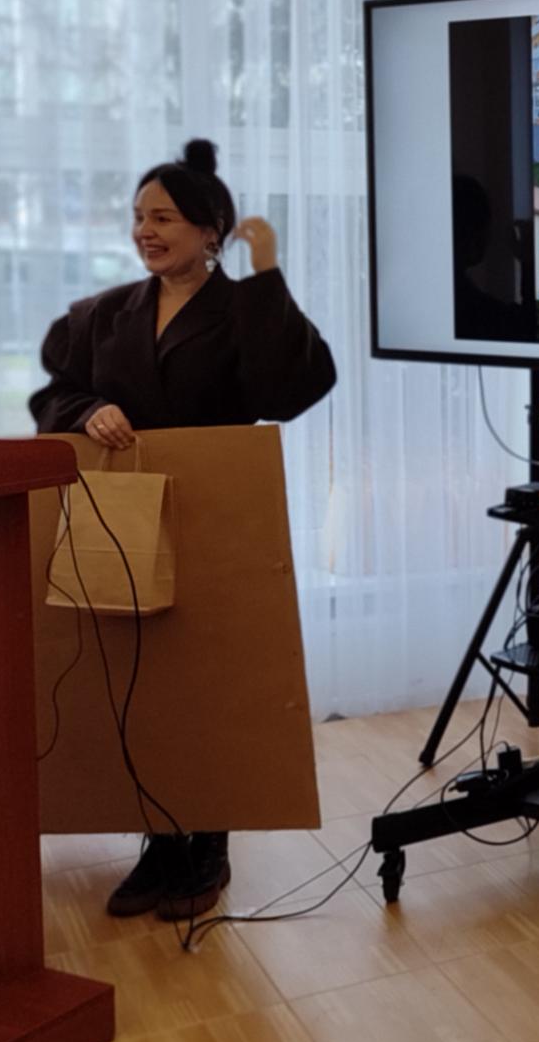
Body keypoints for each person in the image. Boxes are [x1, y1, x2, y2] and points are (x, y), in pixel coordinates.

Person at [29, 138, 336, 920]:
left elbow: (285, 389)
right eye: (139, 216)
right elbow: (52, 398)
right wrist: (85, 410)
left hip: (218, 520)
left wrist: (265, 275)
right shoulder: (103, 314)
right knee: (142, 682)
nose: (145, 230)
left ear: (211, 230)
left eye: (163, 217)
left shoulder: (245, 308)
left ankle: (209, 844)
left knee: (208, 682)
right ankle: (159, 846)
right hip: (123, 516)